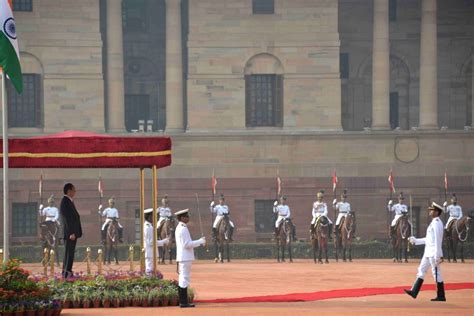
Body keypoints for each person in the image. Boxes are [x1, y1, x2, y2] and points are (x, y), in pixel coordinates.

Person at [405, 202, 446, 302]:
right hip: (428, 252)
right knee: (421, 270)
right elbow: (428, 239)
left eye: (431, 210)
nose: (430, 211)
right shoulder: (433, 222)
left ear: (436, 212)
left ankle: (441, 295)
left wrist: (437, 255)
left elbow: (437, 240)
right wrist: (416, 241)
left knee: (436, 273)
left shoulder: (437, 223)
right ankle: (414, 291)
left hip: (433, 253)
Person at [175, 209, 206, 308]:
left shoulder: (181, 227)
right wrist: (200, 241)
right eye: (187, 216)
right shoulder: (182, 228)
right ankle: (183, 302)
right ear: (182, 218)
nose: (188, 218)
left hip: (184, 257)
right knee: (184, 278)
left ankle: (183, 301)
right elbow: (187, 244)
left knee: (182, 278)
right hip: (185, 257)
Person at [60, 183, 82, 279]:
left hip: (73, 233)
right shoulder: (65, 201)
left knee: (70, 253)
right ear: (69, 191)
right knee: (68, 253)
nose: (75, 192)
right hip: (70, 233)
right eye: (74, 190)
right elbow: (67, 218)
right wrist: (71, 232)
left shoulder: (69, 201)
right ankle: (66, 273)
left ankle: (68, 271)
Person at [143, 208, 170, 275]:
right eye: (153, 216)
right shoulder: (148, 227)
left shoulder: (150, 226)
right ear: (149, 217)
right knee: (149, 271)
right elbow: (151, 242)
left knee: (151, 272)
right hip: (150, 253)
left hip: (151, 253)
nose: (155, 217)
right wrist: (163, 241)